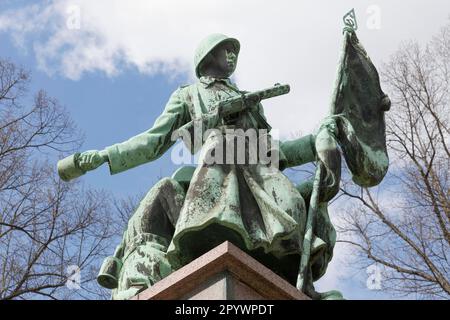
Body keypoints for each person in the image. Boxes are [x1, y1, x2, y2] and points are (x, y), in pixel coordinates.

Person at [76, 33, 339, 300]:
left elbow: (271, 150)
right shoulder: (188, 95)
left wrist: (314, 140)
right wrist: (105, 156)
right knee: (218, 149)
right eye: (226, 50)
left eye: (234, 51)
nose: (233, 55)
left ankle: (297, 280)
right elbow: (155, 141)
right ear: (208, 56)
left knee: (293, 202)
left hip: (260, 172)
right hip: (219, 168)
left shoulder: (250, 101)